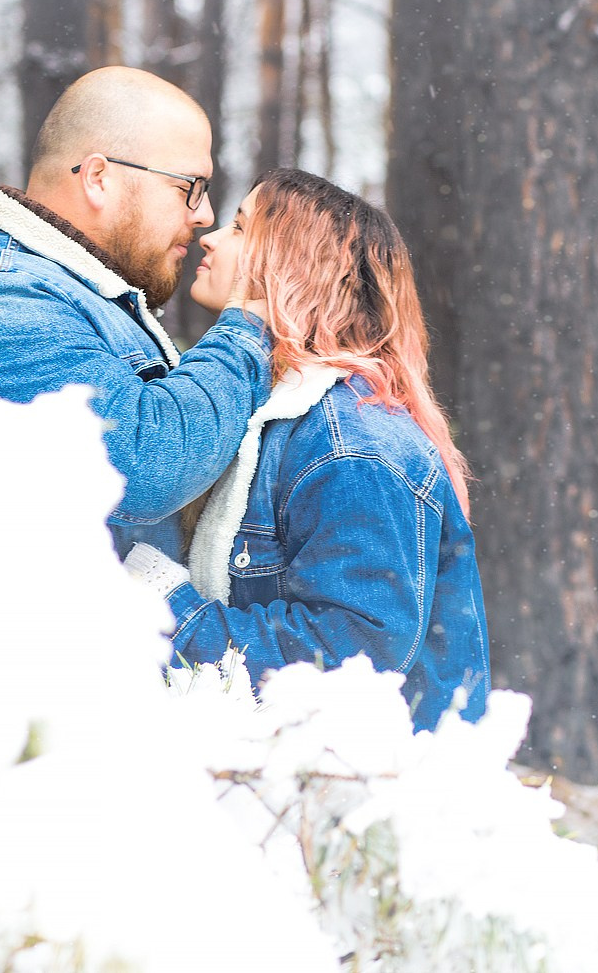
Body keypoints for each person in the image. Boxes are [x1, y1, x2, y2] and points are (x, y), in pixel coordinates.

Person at [125, 168, 490, 730]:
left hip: (365, 799)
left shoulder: (355, 444)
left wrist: (170, 610)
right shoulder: (277, 416)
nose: (211, 237)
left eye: (242, 227)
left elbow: (349, 655)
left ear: (294, 264)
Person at [0, 67, 271, 560]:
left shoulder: (68, 291)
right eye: (190, 185)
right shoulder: (2, 299)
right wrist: (249, 325)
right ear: (98, 179)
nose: (203, 215)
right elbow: (145, 467)